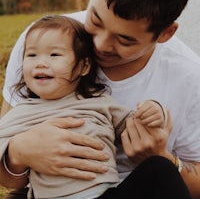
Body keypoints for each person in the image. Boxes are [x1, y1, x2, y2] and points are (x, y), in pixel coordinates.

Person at [1, 0, 200, 198]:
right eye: (95, 20)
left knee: (160, 169)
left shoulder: (189, 78)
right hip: (49, 191)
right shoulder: (43, 42)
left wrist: (161, 157)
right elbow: (8, 179)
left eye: (125, 40)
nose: (100, 44)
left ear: (165, 34)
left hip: (119, 190)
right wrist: (19, 152)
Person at [0, 14, 169, 199]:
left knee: (161, 169)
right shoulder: (23, 111)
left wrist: (155, 111)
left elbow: (136, 125)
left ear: (83, 66)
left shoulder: (99, 103)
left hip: (105, 193)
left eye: (54, 54)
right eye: (31, 55)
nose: (41, 62)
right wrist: (17, 151)